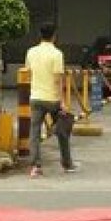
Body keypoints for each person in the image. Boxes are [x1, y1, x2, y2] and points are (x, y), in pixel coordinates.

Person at [24, 21, 76, 177]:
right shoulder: (57, 54)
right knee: (62, 130)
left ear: (40, 35)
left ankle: (35, 166)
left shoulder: (31, 52)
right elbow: (58, 80)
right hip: (52, 99)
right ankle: (67, 164)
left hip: (35, 97)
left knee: (34, 132)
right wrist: (63, 101)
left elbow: (28, 71)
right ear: (54, 36)